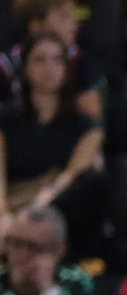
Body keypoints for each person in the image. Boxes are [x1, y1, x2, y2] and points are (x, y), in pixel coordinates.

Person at [0, 30, 104, 239]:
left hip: (56, 211)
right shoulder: (5, 121)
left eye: (57, 60)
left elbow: (72, 175)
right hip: (8, 210)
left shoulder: (85, 126)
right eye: (40, 60)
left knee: (91, 181)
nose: (49, 68)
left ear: (66, 69)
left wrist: (31, 214)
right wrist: (4, 216)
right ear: (26, 68)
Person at [0, 0, 99, 119]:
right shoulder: (5, 65)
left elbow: (93, 120)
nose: (75, 24)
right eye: (64, 17)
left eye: (74, 16)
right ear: (36, 25)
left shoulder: (79, 60)